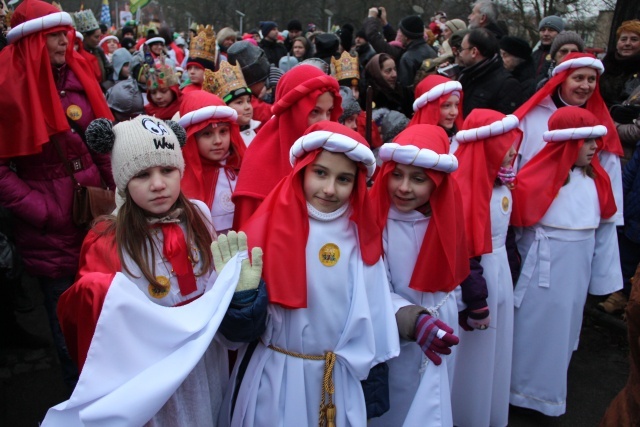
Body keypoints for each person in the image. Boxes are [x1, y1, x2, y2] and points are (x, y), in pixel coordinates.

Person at [46, 115, 265, 426]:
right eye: (142, 174)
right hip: (155, 370)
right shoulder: (108, 239)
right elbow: (99, 323)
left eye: (167, 170)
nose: (159, 184)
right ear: (123, 180)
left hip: (207, 360)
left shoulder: (199, 215)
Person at [222, 121, 400, 426]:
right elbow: (240, 326)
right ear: (302, 169)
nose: (329, 189)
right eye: (320, 173)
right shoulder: (265, 227)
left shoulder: (360, 236)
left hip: (335, 378)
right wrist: (243, 301)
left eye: (343, 179)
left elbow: (373, 311)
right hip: (275, 373)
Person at [0, 0, 115, 392]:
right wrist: (44, 211)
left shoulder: (79, 76)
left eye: (64, 34)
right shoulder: (7, 91)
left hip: (94, 215)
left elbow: (101, 140)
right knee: (67, 328)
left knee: (104, 314)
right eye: (53, 36)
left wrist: (114, 189)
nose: (65, 43)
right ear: (32, 42)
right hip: (49, 229)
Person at [510, 106, 619, 416]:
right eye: (586, 141)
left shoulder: (595, 180)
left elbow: (604, 229)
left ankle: (549, 395)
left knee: (564, 333)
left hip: (575, 273)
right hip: (542, 272)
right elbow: (520, 229)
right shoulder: (534, 179)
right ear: (567, 143)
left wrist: (602, 279)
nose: (594, 147)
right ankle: (521, 392)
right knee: (533, 331)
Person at [367, 124, 466, 426]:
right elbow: (375, 284)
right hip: (395, 330)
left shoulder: (446, 215)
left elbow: (459, 269)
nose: (404, 187)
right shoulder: (378, 220)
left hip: (443, 325)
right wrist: (411, 318)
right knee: (400, 403)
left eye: (418, 178)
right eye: (396, 174)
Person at [449, 110, 521, 427]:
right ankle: (468, 413)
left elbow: (507, 237)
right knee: (475, 354)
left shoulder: (502, 185)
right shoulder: (468, 191)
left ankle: (488, 409)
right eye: (506, 143)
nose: (513, 150)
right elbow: (467, 251)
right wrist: (476, 301)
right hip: (481, 278)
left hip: (500, 270)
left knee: (495, 347)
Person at [232, 64, 341, 229]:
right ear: (293, 112)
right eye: (314, 112)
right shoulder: (258, 163)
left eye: (329, 111)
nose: (324, 122)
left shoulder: (336, 153)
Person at [178, 91, 246, 235]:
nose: (218, 141)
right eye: (207, 134)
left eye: (223, 132)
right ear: (192, 139)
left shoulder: (241, 168)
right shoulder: (184, 178)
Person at [363, 9, 436, 89]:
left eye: (400, 31)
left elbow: (404, 89)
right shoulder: (431, 50)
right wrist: (385, 23)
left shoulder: (407, 58)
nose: (397, 32)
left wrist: (371, 18)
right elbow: (396, 42)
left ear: (406, 37)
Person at [457, 28, 522, 116]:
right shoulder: (466, 75)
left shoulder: (507, 84)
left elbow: (504, 124)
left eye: (462, 49)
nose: (460, 54)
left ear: (474, 52)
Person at [203, 60, 261, 146]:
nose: (247, 107)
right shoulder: (224, 142)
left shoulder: (259, 131)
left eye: (248, 101)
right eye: (239, 102)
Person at [409, 75, 464, 145]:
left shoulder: (458, 138)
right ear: (430, 109)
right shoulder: (416, 143)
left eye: (456, 105)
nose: (454, 112)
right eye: (446, 105)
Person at [600, 20, 640, 108]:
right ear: (617, 43)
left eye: (634, 39)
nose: (627, 43)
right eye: (623, 39)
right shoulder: (602, 68)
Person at [74, 9, 113, 85]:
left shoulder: (98, 50)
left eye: (100, 36)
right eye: (96, 37)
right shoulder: (77, 53)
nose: (99, 40)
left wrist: (105, 86)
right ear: (85, 36)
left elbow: (109, 70)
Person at [142, 56, 182, 120]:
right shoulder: (145, 114)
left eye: (164, 91)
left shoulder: (184, 107)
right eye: (153, 92)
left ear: (174, 90)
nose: (158, 97)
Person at [183, 24, 218, 94]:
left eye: (197, 68)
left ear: (208, 70)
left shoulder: (217, 90)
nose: (192, 72)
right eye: (189, 68)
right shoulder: (184, 92)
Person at [499, 36, 536, 100]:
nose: (501, 58)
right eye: (500, 54)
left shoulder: (527, 83)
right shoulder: (499, 73)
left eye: (505, 55)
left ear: (518, 58)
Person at [532, 15, 564, 82]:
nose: (546, 34)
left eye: (551, 30)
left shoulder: (562, 55)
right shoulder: (533, 54)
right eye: (543, 30)